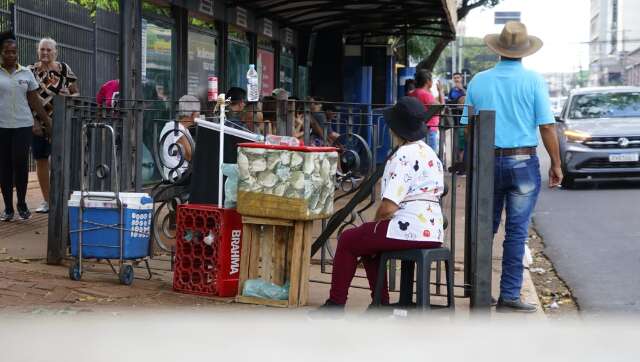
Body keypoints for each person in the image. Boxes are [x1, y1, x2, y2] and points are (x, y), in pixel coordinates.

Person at [462, 21, 562, 312]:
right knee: (517, 232)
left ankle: (480, 293)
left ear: (499, 49)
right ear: (524, 51)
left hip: (487, 162)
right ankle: (508, 296)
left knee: (485, 229)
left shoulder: (478, 81)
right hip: (522, 163)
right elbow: (546, 126)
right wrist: (555, 163)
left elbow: (467, 128)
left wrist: (475, 161)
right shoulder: (533, 81)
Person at [317, 97, 445, 311]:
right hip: (433, 230)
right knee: (368, 242)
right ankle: (380, 304)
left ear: (395, 128)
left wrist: (374, 225)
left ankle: (335, 305)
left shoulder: (403, 154)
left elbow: (388, 207)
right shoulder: (428, 151)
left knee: (349, 239)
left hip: (408, 229)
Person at [0, 33, 51, 221]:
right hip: (2, 126)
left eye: (14, 52)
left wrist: (46, 121)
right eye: (7, 52)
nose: (11, 55)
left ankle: (21, 203)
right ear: (1, 52)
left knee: (20, 163)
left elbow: (34, 100)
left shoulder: (26, 73)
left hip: (23, 125)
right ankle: (8, 207)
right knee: (4, 167)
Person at [29, 37, 79, 214]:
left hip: (61, 122)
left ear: (56, 52)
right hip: (38, 124)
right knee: (41, 160)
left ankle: (63, 197)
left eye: (49, 50)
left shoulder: (64, 69)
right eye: (42, 49)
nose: (45, 53)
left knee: (58, 159)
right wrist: (33, 121)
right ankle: (47, 200)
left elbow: (76, 94)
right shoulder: (31, 71)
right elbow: (25, 98)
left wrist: (68, 96)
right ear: (38, 51)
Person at [158, 95, 199, 182]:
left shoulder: (183, 129)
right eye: (198, 112)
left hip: (181, 172)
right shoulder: (175, 127)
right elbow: (191, 155)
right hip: (176, 174)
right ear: (193, 114)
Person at [408, 69, 444, 154]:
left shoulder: (413, 93)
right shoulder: (425, 94)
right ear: (428, 81)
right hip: (429, 129)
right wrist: (441, 91)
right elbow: (441, 107)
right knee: (430, 155)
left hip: (418, 128)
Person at [448, 72, 467, 174]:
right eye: (455, 78)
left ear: (461, 78)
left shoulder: (465, 88)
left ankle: (462, 167)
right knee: (457, 145)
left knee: (462, 145)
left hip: (464, 121)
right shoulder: (452, 90)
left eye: (458, 78)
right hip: (456, 121)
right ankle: (458, 165)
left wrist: (462, 90)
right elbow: (450, 102)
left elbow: (467, 99)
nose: (456, 80)